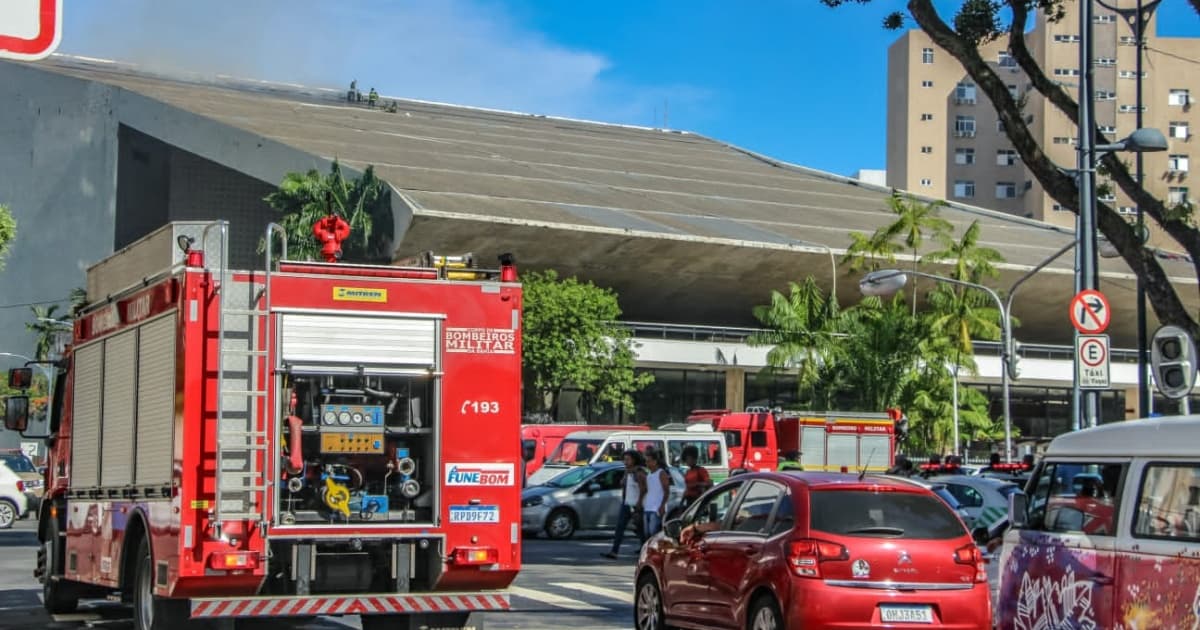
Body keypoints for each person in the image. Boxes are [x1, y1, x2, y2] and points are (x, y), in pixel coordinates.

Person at [604, 450, 645, 559]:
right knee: (620, 527)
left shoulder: (639, 472)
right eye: (624, 459)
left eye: (628, 459)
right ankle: (614, 551)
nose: (625, 462)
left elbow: (643, 489)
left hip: (635, 504)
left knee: (640, 528)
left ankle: (644, 549)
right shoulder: (628, 471)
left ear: (634, 460)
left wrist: (639, 503)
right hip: (626, 502)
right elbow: (623, 484)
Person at [642, 450, 670, 539]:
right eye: (646, 461)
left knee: (653, 533)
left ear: (655, 461)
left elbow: (666, 491)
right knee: (647, 533)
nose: (647, 463)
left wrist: (662, 505)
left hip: (656, 509)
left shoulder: (661, 473)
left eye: (649, 461)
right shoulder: (648, 475)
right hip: (648, 507)